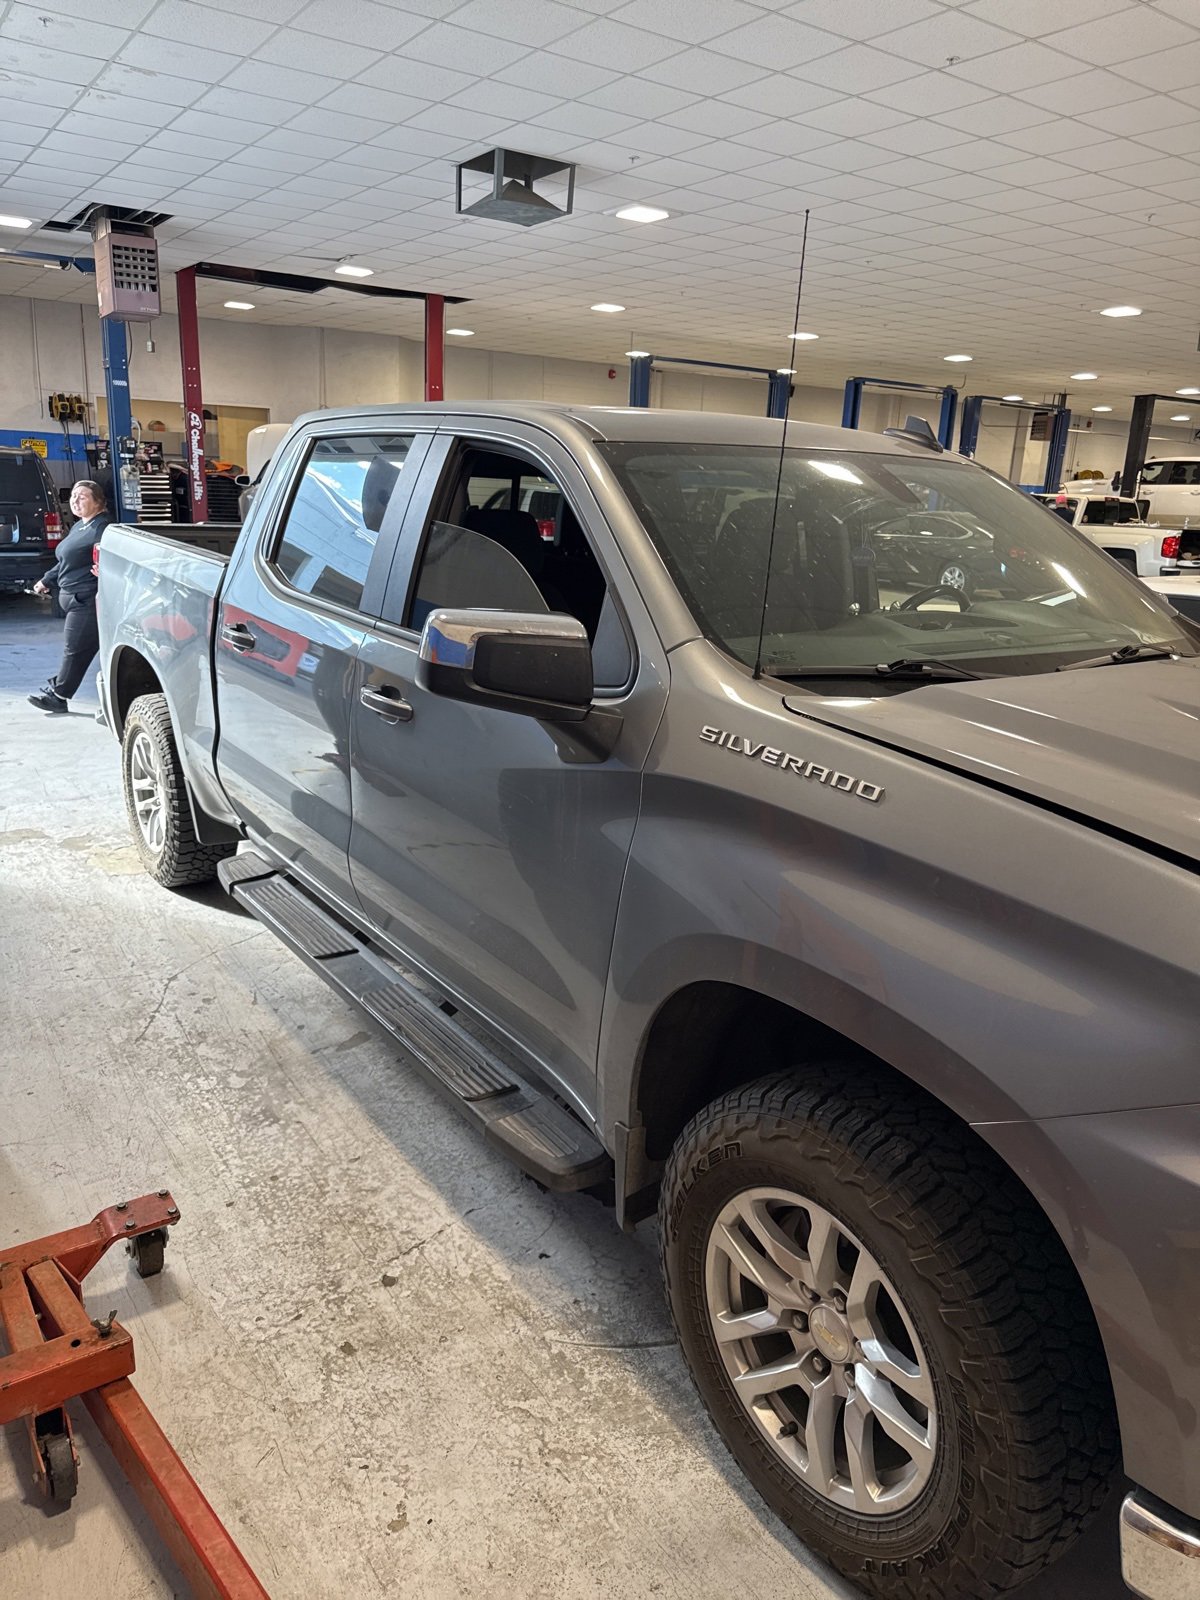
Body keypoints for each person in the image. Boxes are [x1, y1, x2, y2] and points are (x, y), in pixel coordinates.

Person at [28, 480, 113, 713]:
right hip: (71, 595)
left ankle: (59, 696)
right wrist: (47, 579)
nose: (75, 500)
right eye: (73, 496)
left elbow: (115, 559)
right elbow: (65, 560)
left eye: (83, 496)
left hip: (86, 599)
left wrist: (105, 570)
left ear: (98, 501)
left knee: (74, 649)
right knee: (80, 649)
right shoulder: (80, 526)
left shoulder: (104, 528)